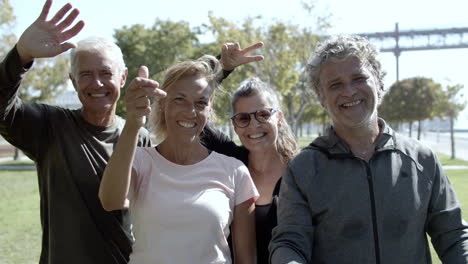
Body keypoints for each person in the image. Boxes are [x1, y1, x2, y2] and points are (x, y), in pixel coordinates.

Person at [0, 0, 262, 262]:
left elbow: (189, 105)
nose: (98, 83)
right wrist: (20, 55)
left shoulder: (141, 138)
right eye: (86, 74)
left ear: (123, 77)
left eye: (105, 72)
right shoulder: (50, 126)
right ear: (72, 80)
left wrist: (220, 68)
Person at [269, 34, 468, 264]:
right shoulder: (302, 169)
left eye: (359, 78)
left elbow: (454, 238)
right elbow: (290, 242)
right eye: (335, 84)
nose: (349, 91)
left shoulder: (422, 159)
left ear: (379, 82)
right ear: (320, 96)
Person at [99, 56, 259, 263]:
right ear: (163, 103)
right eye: (179, 99)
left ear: (209, 108)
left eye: (200, 102)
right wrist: (133, 123)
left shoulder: (235, 171)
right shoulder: (139, 160)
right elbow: (110, 201)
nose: (190, 111)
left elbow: (247, 259)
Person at [228, 77, 298, 264]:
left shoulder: (301, 171)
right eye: (243, 118)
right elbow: (194, 112)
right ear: (235, 126)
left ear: (279, 118)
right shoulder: (229, 163)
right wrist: (223, 69)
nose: (253, 125)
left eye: (263, 114)